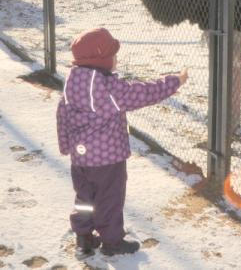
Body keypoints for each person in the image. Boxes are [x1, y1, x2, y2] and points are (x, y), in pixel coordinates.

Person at [56, 27, 188, 257]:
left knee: (85, 196)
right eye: (113, 56)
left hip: (81, 158)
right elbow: (143, 93)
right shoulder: (107, 88)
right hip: (108, 158)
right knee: (110, 199)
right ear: (102, 59)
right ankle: (112, 242)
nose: (116, 60)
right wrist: (174, 81)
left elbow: (62, 115)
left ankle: (84, 237)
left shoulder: (72, 81)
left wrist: (65, 145)